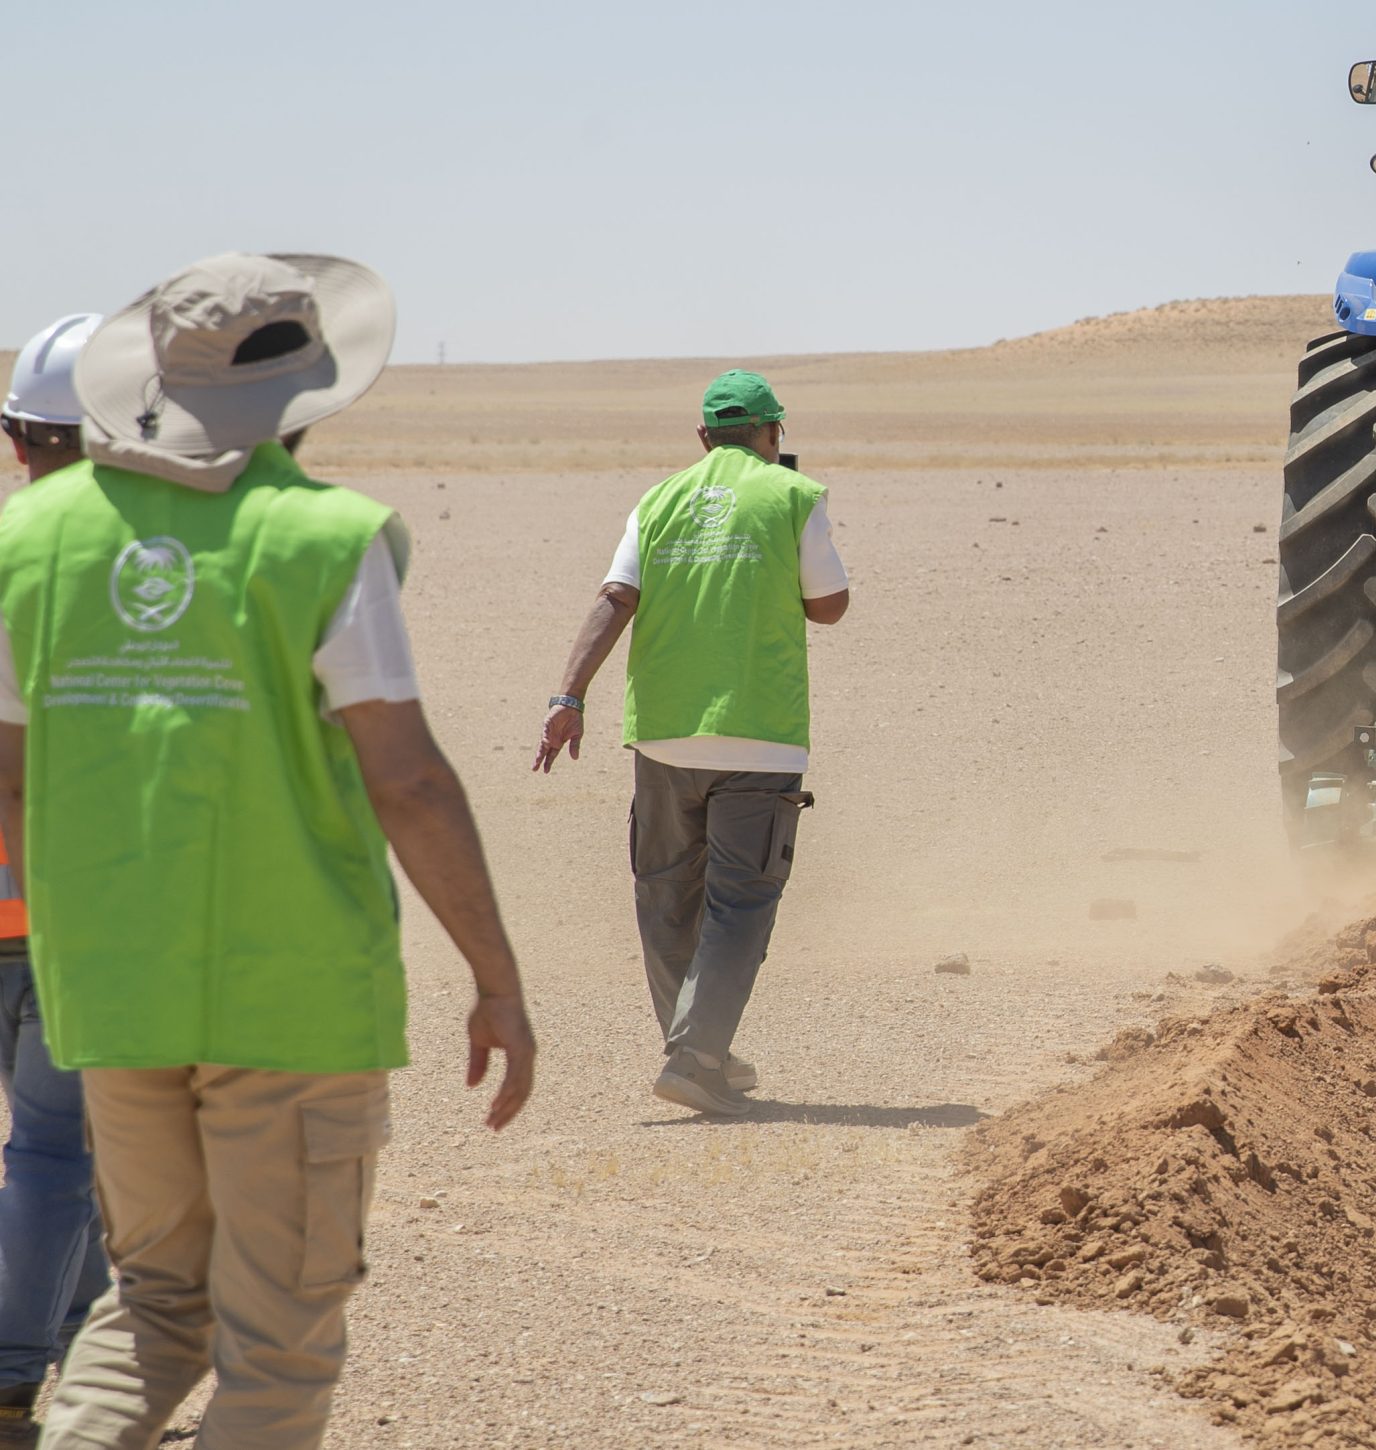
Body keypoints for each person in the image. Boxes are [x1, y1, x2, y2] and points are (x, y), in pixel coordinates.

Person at [0, 253, 536, 1450]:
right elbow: (406, 775)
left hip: (115, 998)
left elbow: (11, 773)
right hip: (291, 1004)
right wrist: (496, 979)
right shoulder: (322, 539)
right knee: (279, 1345)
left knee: (153, 1309)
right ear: (306, 386)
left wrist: (83, 924)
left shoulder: (27, 538)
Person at [533, 370, 847, 1118]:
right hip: (759, 736)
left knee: (667, 897)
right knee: (739, 903)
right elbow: (829, 607)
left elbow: (614, 598)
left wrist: (568, 697)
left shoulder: (659, 500)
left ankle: (699, 1044)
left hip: (665, 734)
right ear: (774, 435)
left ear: (703, 437)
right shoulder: (793, 496)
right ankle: (696, 1053)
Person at [0, 315, 109, 1449]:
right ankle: (19, 1370)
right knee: (57, 1147)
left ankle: (79, 1350)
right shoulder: (132, 577)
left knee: (53, 1148)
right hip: (64, 905)